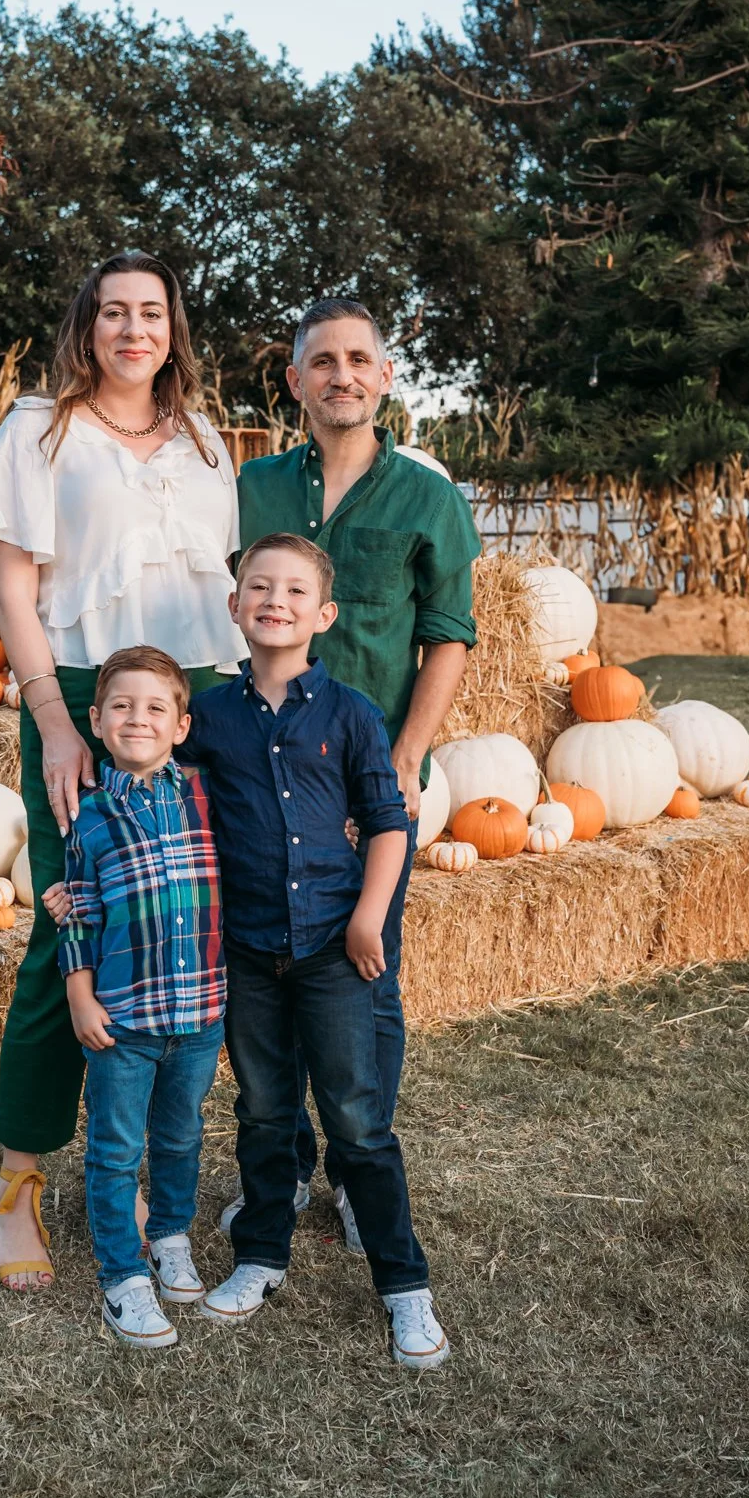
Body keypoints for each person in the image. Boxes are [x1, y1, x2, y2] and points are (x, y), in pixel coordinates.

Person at [0, 251, 242, 1291]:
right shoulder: (41, 431)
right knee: (68, 926)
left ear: (174, 328)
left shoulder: (210, 444)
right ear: (87, 326)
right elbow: (15, 591)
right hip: (83, 697)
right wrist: (55, 720)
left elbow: (234, 588)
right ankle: (21, 1175)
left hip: (198, 702)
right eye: (114, 311)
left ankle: (133, 1172)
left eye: (152, 312)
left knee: (184, 928)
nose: (134, 329)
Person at [229, 298, 480, 1250]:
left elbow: (448, 635)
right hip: (256, 769)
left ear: (383, 378)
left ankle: (355, 1157)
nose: (340, 374)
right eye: (320, 361)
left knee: (364, 972)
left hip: (363, 781)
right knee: (267, 969)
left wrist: (408, 756)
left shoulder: (426, 498)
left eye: (358, 360)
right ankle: (284, 1163)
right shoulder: (248, 486)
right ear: (294, 383)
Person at [185, 533, 449, 1369]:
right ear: (234, 607)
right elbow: (174, 807)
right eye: (258, 587)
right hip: (249, 953)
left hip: (338, 949)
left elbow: (387, 823)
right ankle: (260, 1257)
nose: (275, 601)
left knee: (358, 1119)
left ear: (323, 614)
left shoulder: (352, 715)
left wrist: (370, 916)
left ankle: (405, 1287)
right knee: (263, 1112)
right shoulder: (209, 718)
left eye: (295, 591)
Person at [57, 645, 225, 1349]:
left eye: (156, 707)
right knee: (116, 1148)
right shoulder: (90, 820)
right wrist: (79, 994)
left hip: (202, 1013)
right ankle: (122, 1277)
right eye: (121, 706)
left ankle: (169, 1236)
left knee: (181, 1134)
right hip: (123, 1018)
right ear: (96, 720)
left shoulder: (211, 798)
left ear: (180, 726)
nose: (138, 718)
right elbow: (80, 913)